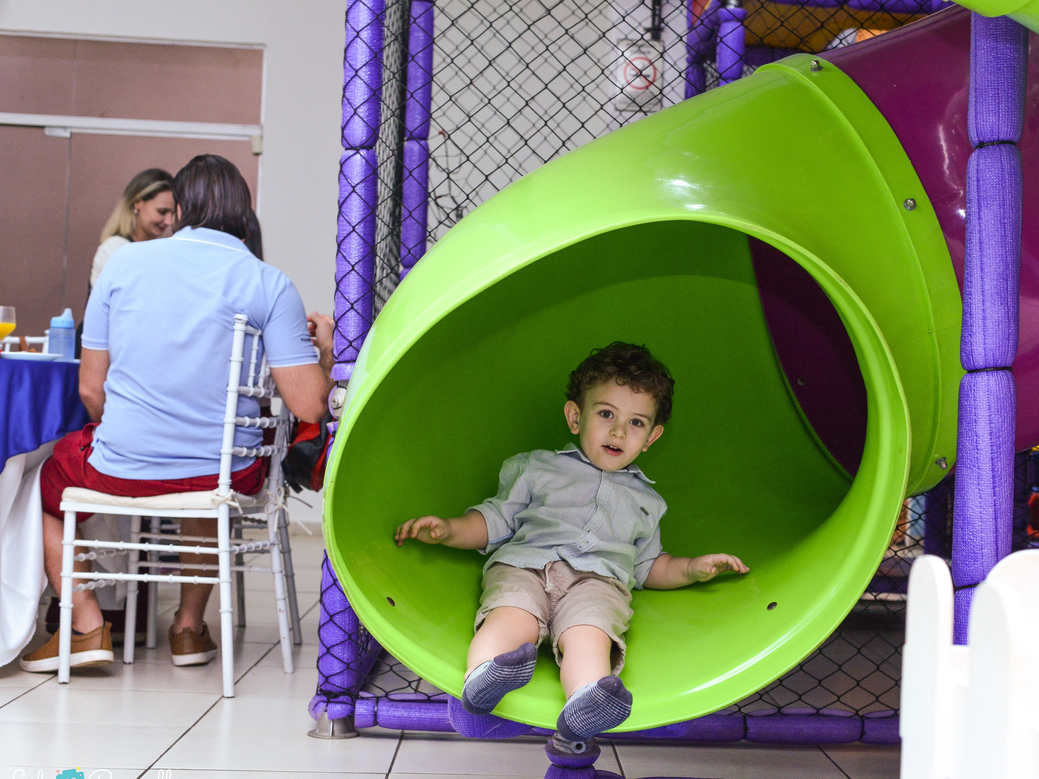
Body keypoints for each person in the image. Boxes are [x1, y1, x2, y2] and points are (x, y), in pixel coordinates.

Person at [20, 154, 335, 674]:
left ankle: (85, 624)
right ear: (244, 211)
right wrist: (321, 354)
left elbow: (91, 389)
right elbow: (307, 405)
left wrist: (134, 438)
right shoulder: (268, 282)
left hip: (120, 468)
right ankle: (188, 630)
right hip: (222, 472)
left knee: (48, 481)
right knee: (203, 483)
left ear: (182, 208)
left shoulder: (123, 263)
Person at [395, 343, 749, 741]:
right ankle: (485, 676)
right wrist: (449, 529)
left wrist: (691, 569)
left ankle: (585, 700)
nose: (618, 431)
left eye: (636, 423)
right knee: (511, 616)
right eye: (606, 414)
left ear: (652, 437)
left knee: (589, 634)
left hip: (596, 585)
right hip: (527, 565)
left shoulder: (648, 502)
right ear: (575, 417)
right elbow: (495, 519)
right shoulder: (538, 467)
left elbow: (649, 566)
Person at [90, 168, 176, 288]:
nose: (168, 221)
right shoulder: (115, 248)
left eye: (172, 214)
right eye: (162, 212)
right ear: (137, 203)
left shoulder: (158, 250)